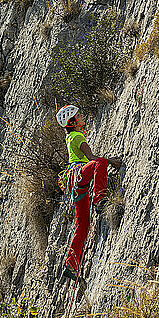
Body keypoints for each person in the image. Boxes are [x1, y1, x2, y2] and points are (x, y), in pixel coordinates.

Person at [56, 104, 121, 284]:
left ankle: (70, 265)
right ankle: (99, 199)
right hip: (80, 176)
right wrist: (111, 161)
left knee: (82, 224)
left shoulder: (70, 137)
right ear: (73, 122)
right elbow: (93, 160)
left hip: (76, 185)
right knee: (100, 162)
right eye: (78, 115)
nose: (82, 116)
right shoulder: (77, 136)